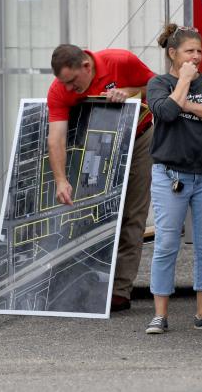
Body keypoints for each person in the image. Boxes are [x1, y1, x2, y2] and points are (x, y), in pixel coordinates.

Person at [47, 43, 155, 312]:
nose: (70, 89)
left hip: (139, 138)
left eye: (73, 82)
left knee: (133, 214)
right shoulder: (60, 88)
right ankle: (87, 287)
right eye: (65, 84)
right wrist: (61, 180)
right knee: (92, 214)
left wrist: (129, 92)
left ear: (86, 66)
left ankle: (120, 290)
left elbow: (158, 88)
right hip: (96, 145)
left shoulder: (121, 60)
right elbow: (56, 138)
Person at [144, 24, 202, 335]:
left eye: (199, 51)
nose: (196, 57)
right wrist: (182, 82)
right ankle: (160, 315)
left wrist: (191, 104)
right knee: (167, 243)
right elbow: (166, 113)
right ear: (173, 54)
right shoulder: (158, 83)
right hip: (171, 175)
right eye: (189, 52)